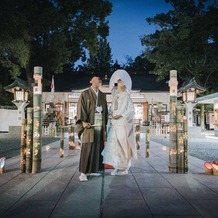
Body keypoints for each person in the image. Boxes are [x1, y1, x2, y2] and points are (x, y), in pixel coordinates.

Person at [102, 78, 137, 176]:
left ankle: (125, 167)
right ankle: (117, 166)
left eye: (119, 83)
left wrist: (121, 115)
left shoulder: (126, 97)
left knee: (123, 147)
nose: (117, 86)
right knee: (115, 148)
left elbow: (131, 110)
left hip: (122, 125)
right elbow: (111, 109)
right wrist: (110, 114)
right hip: (114, 125)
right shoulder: (115, 97)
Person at [77, 74, 108, 181]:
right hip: (89, 125)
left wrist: (105, 124)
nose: (97, 82)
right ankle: (83, 172)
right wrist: (83, 122)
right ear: (91, 81)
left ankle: (95, 170)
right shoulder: (85, 94)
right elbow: (81, 108)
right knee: (88, 147)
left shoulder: (103, 95)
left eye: (99, 80)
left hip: (99, 124)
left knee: (98, 147)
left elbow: (106, 111)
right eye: (95, 80)